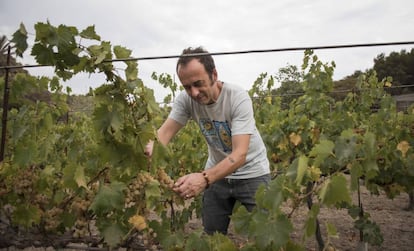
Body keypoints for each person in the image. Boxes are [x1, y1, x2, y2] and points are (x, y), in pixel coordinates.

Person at [145, 46, 270, 235]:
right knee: (211, 237)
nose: (194, 92)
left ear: (214, 74)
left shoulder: (237, 97)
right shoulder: (186, 101)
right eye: (187, 87)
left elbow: (240, 154)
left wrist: (204, 178)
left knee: (265, 236)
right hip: (216, 173)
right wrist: (150, 147)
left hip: (252, 172)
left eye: (198, 83)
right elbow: (164, 133)